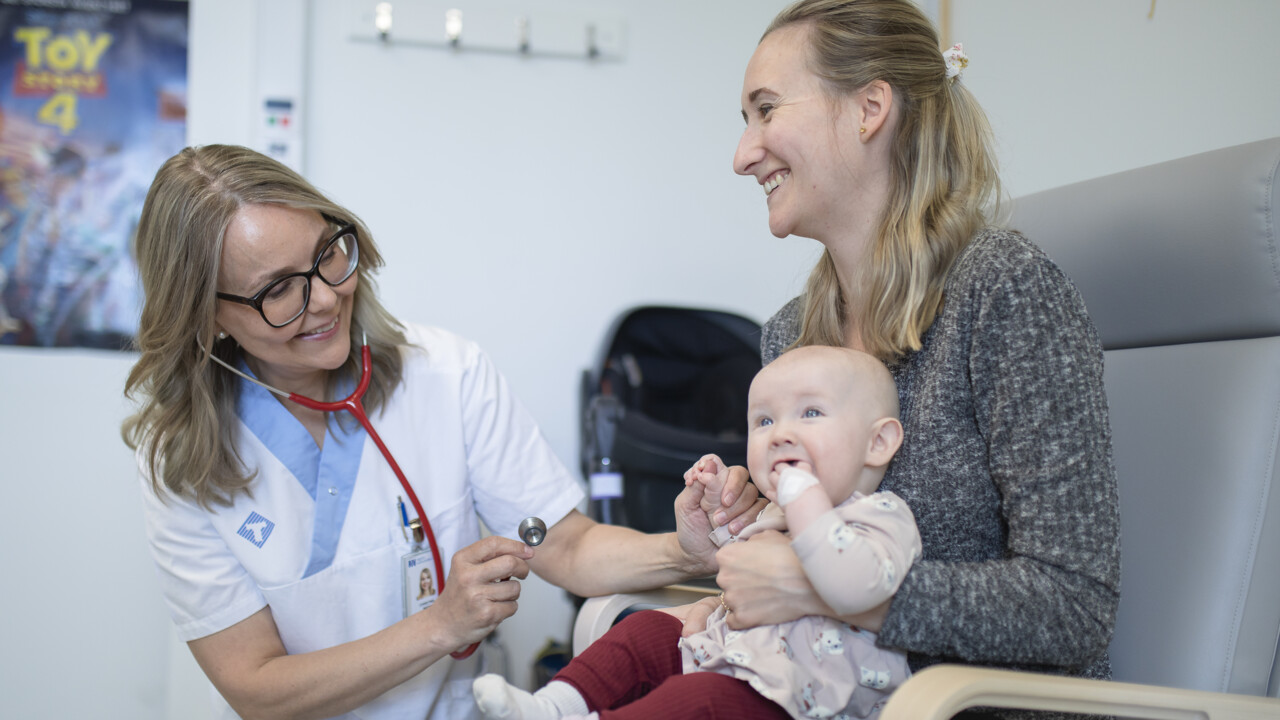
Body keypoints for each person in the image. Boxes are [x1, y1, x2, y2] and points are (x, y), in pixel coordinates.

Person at [121, 144, 763, 720]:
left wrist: (687, 551)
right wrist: (442, 623)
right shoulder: (182, 464)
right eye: (278, 291)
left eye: (326, 256)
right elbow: (255, 688)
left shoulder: (448, 373)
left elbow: (563, 546)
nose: (323, 298)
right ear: (209, 320)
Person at [685, 1, 1121, 719]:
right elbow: (797, 576)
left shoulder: (1003, 290)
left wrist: (828, 590)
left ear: (869, 108)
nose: (743, 155)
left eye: (765, 111)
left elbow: (1073, 606)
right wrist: (727, 534)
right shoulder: (792, 338)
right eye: (744, 122)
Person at [472, 345, 922, 720]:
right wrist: (717, 517)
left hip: (809, 703)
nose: (781, 433)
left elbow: (856, 587)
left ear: (877, 443)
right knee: (647, 630)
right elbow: (737, 568)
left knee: (698, 702)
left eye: (811, 412)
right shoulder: (776, 514)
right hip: (743, 669)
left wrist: (806, 504)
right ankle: (552, 708)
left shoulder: (882, 517)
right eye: (764, 421)